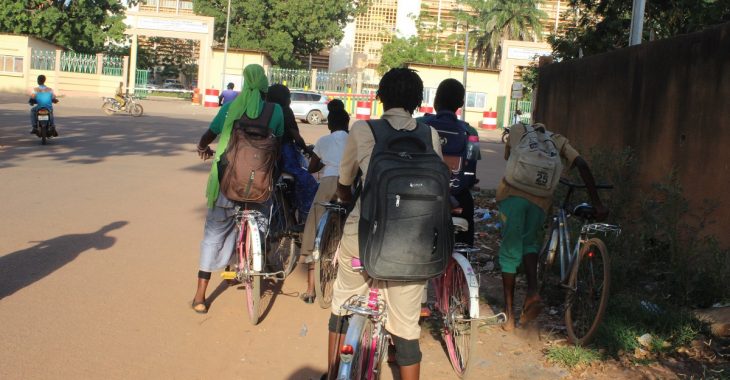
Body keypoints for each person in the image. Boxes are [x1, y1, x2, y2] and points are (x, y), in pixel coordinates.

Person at [325, 68, 442, 380]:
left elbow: (345, 183)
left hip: (362, 239)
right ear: (419, 101)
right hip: (413, 246)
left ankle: (334, 371)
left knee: (342, 302)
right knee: (406, 327)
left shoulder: (363, 130)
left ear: (380, 97)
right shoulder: (430, 135)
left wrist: (345, 196)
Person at [191, 64, 284, 314]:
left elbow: (208, 135)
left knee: (213, 237)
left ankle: (200, 296)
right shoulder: (275, 111)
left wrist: (202, 147)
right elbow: (280, 142)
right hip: (259, 184)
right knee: (261, 219)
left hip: (226, 183)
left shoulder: (231, 108)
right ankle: (254, 257)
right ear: (264, 83)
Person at [498, 122, 607, 330]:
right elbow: (582, 164)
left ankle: (510, 317)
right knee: (530, 243)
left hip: (512, 196)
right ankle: (532, 292)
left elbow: (510, 160)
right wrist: (597, 203)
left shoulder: (518, 130)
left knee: (510, 251)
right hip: (540, 200)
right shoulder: (557, 139)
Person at [299, 99, 349, 303]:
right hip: (348, 185)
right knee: (349, 227)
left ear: (329, 125)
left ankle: (310, 289)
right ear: (347, 124)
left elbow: (312, 168)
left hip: (328, 183)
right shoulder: (353, 140)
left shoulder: (323, 141)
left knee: (314, 223)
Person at [419, 79, 479, 246]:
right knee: (464, 242)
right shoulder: (470, 132)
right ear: (460, 103)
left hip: (422, 195)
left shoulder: (419, 125)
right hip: (458, 198)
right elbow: (471, 171)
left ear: (436, 100)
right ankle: (464, 258)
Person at [266, 84, 319, 228]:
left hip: (266, 154)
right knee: (308, 182)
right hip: (285, 154)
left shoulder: (265, 108)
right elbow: (296, 136)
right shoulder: (284, 111)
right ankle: (305, 215)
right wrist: (307, 149)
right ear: (284, 98)